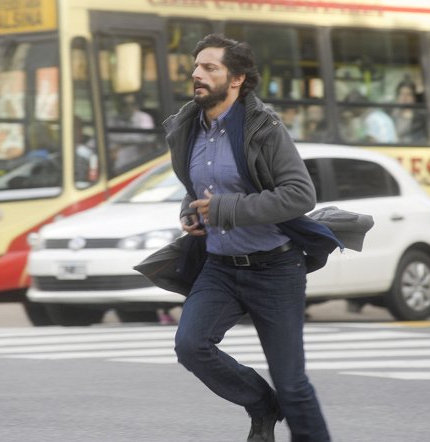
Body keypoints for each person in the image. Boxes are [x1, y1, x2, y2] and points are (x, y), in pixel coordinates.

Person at [164, 34, 335, 442]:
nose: (197, 75)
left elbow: (299, 195)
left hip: (275, 267)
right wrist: (191, 212)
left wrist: (223, 210)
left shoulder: (264, 127)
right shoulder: (188, 126)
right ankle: (261, 404)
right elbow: (199, 189)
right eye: (196, 66)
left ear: (237, 78)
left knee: (292, 384)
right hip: (220, 267)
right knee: (191, 346)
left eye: (210, 68)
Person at [108, 93, 155, 170]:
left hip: (138, 155)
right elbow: (106, 138)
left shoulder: (143, 118)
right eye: (124, 105)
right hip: (113, 154)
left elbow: (143, 138)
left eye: (132, 104)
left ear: (137, 106)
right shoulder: (113, 119)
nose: (128, 108)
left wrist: (119, 146)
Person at [391, 80, 427, 144]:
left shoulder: (421, 118)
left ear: (414, 98)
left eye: (408, 94)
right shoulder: (391, 116)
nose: (404, 98)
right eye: (401, 94)